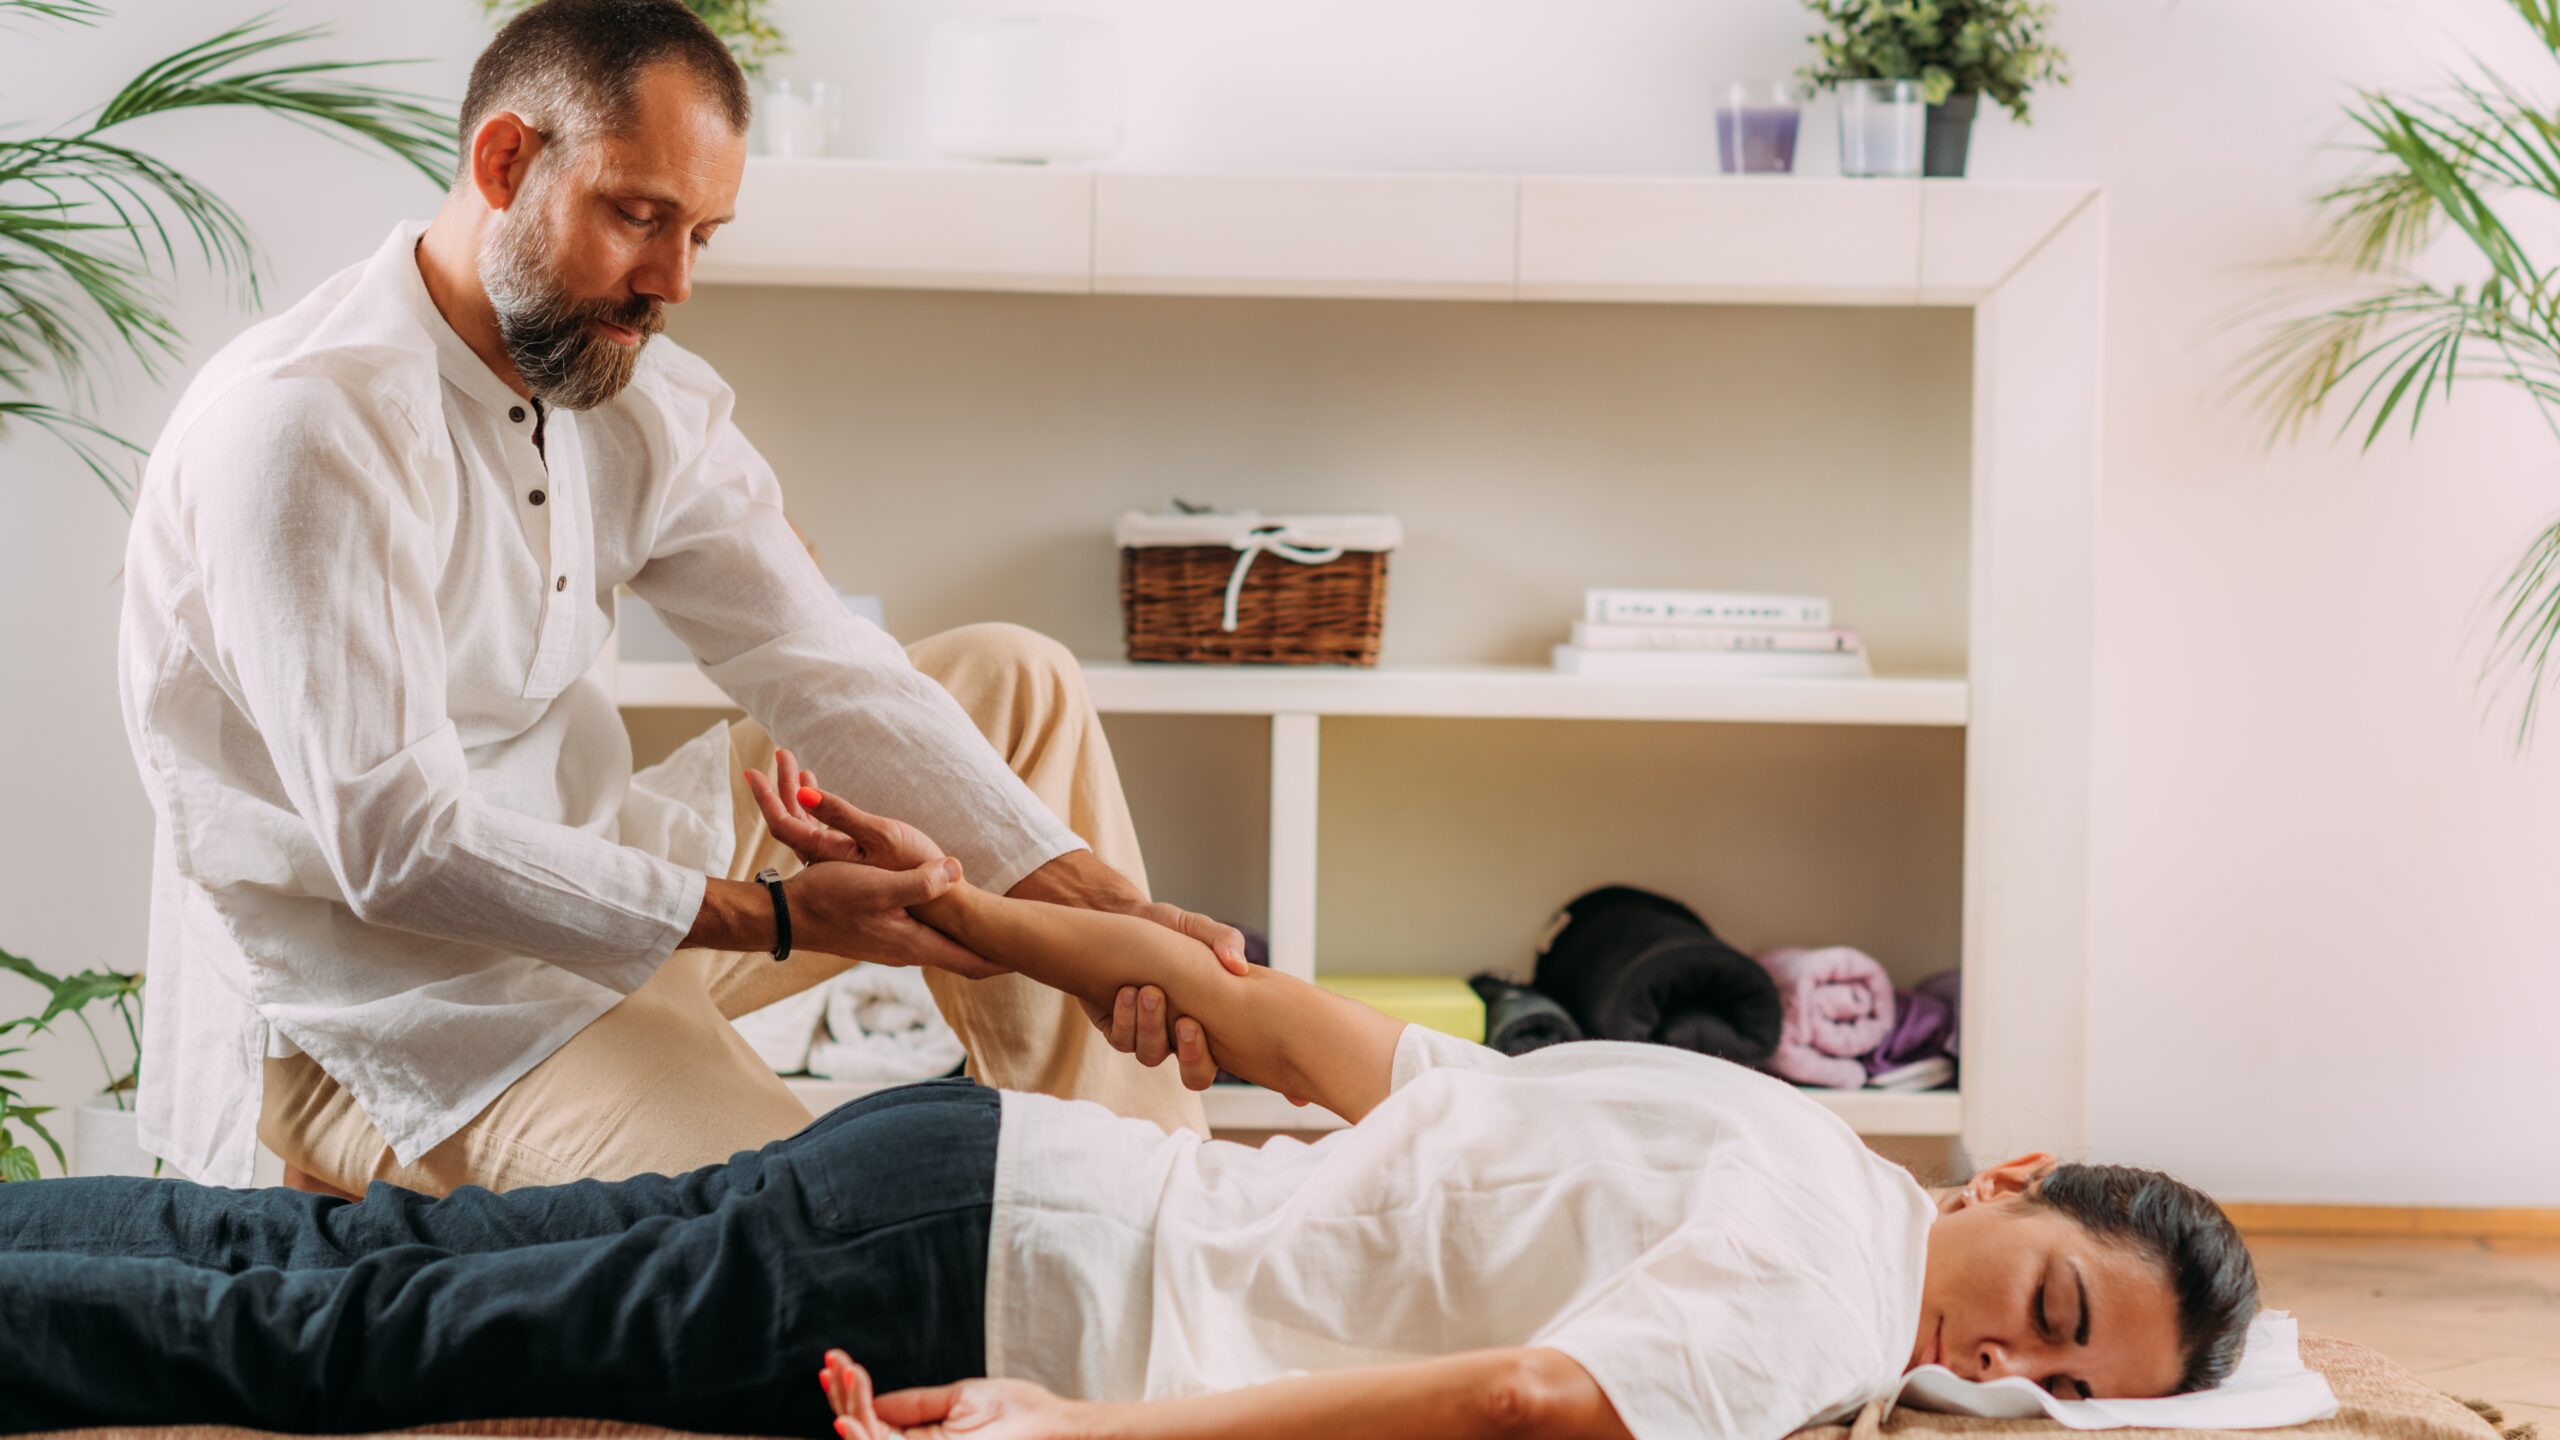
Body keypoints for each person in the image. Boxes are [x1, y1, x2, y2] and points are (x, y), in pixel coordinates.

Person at [0, 780, 2260, 1440]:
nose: (2006, 1357)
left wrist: (970, 905)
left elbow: (1260, 1019)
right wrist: (1091, 1436)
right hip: (995, 1274)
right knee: (363, 1341)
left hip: (967, 1170)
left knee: (358, 1267)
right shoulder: (1816, 1298)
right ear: (2012, 1171)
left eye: (2065, 1377)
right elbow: (1531, 1399)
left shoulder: (1754, 1116)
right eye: (2048, 1298)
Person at [116, 0, 1240, 1200]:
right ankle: (1042, 1250)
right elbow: (402, 849)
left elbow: (818, 661)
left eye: (702, 232)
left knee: (1013, 680)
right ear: (505, 163)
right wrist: (779, 917)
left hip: (599, 866)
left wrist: (1091, 902)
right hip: (399, 1005)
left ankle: (1142, 1209)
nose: (674, 280)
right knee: (804, 1216)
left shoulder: (627, 390)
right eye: (638, 217)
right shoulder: (308, 427)